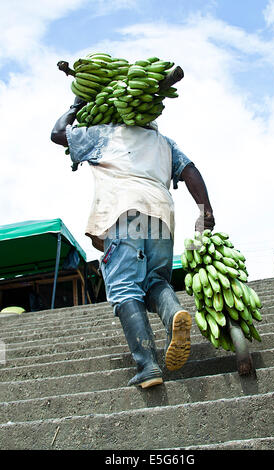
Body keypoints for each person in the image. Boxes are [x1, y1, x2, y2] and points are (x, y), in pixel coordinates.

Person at [51, 95, 215, 389]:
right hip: (161, 214)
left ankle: (147, 365)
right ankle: (173, 312)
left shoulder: (104, 133)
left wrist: (75, 108)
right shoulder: (164, 143)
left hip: (124, 211)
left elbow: (58, 134)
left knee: (124, 286)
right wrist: (206, 210)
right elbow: (190, 171)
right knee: (156, 281)